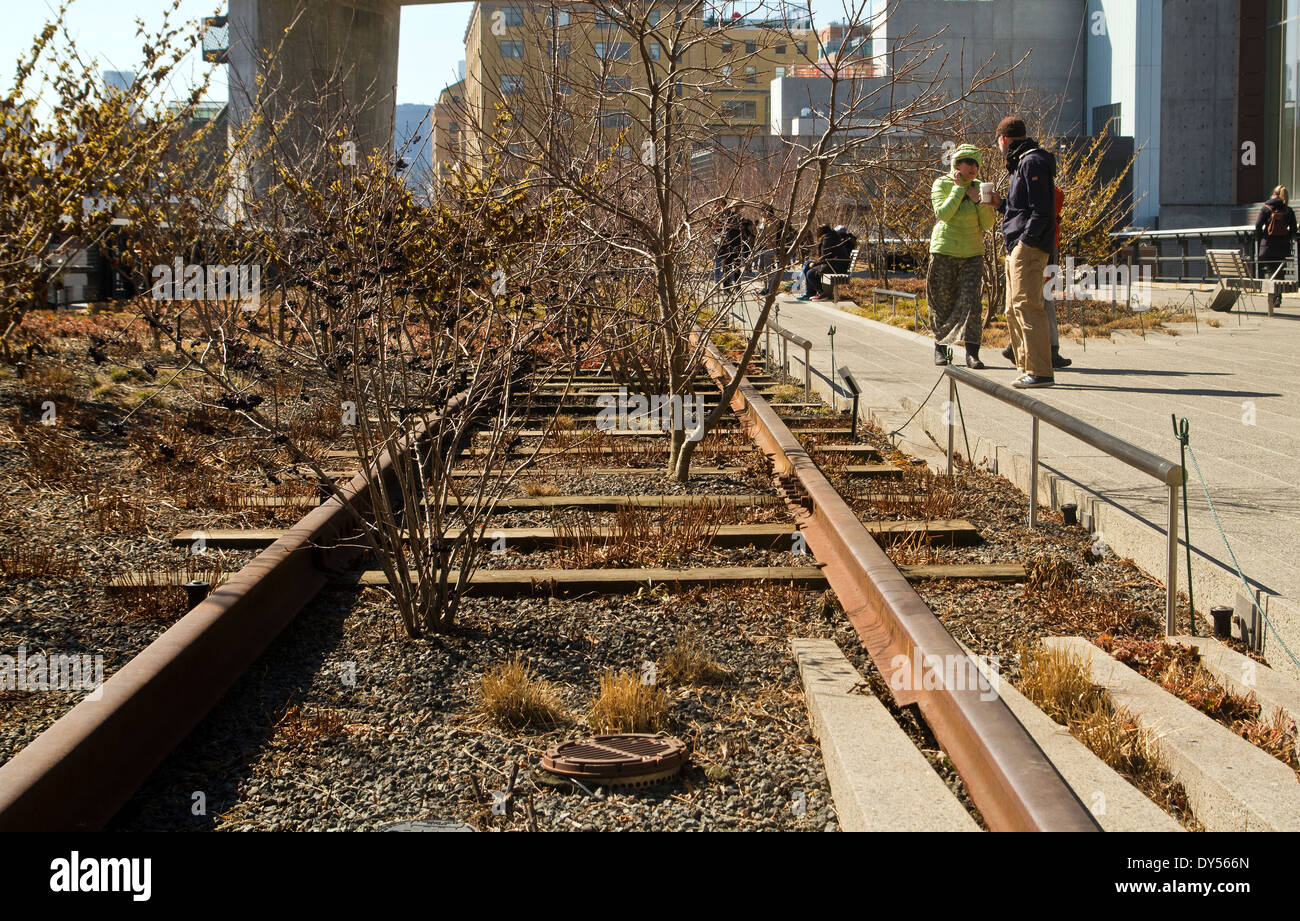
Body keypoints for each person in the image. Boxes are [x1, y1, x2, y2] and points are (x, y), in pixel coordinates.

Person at [988, 116, 1057, 389]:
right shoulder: (1021, 163)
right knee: (1012, 308)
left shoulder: (1032, 162)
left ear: (1003, 139)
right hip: (1017, 244)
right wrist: (1000, 204)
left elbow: (1042, 211)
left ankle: (1040, 372)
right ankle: (1026, 366)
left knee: (1027, 306)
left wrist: (1024, 242)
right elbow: (1022, 210)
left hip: (1027, 247)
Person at [927, 143, 996, 368]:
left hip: (972, 254)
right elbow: (943, 213)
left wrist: (978, 200)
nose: (973, 167)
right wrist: (958, 189)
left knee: (972, 303)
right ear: (957, 164)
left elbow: (987, 223)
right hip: (944, 250)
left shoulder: (979, 188)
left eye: (976, 163)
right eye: (968, 162)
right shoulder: (942, 183)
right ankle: (940, 347)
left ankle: (972, 353)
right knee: (942, 301)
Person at [1003, 183, 1072, 369]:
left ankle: (1020, 345)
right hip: (1041, 246)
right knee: (1037, 298)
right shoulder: (1043, 188)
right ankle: (1048, 349)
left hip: (1037, 245)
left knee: (1031, 297)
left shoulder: (1047, 189)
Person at [1255, 185, 1297, 279]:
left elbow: (1258, 225)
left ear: (1274, 194)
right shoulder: (1288, 210)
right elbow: (1294, 228)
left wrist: (1261, 238)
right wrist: (1287, 237)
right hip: (1283, 247)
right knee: (1279, 271)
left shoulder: (1266, 208)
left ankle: (1275, 293)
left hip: (1267, 246)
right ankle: (1278, 293)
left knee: (1271, 271)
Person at [714, 201, 754, 291]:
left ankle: (737, 287)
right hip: (727, 246)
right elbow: (721, 225)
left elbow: (747, 230)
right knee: (727, 267)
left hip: (737, 246)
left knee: (736, 267)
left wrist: (748, 226)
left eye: (740, 207)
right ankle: (727, 287)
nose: (739, 209)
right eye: (738, 207)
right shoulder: (729, 216)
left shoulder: (741, 219)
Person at [797, 225, 839, 301]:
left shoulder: (828, 240)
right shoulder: (831, 237)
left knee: (810, 273)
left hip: (834, 266)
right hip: (833, 264)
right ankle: (809, 293)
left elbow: (826, 257)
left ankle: (822, 293)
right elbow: (825, 256)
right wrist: (814, 262)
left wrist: (815, 264)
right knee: (807, 264)